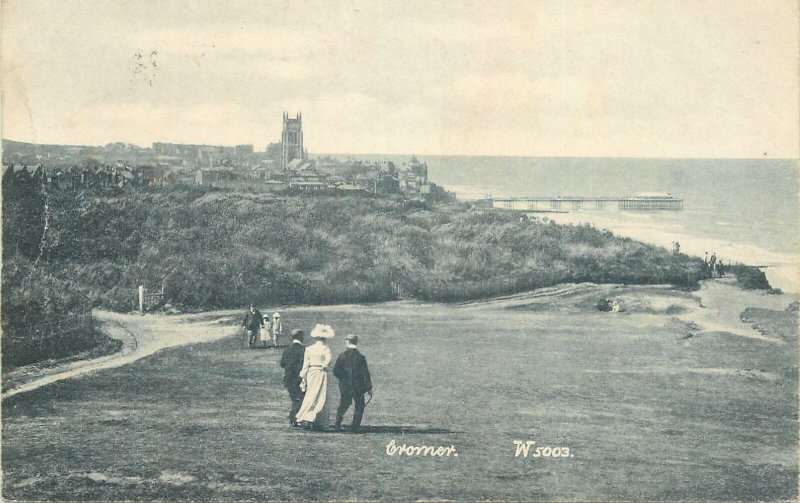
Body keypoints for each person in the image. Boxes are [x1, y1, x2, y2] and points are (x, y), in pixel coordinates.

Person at [295, 324, 334, 430]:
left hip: (311, 372)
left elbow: (305, 364)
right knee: (320, 395)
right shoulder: (325, 348)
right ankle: (310, 418)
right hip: (321, 372)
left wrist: (303, 376)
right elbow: (328, 360)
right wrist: (324, 365)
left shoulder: (309, 349)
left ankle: (306, 417)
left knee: (311, 394)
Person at [333, 334, 373, 432]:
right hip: (358, 386)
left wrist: (343, 378)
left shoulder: (342, 356)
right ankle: (355, 426)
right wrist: (369, 388)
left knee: (343, 404)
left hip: (345, 386)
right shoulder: (361, 357)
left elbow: (336, 371)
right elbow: (366, 373)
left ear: (347, 342)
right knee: (360, 405)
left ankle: (337, 424)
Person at [280, 329, 306, 427]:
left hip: (289, 379)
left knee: (295, 399)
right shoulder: (304, 350)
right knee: (300, 399)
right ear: (301, 338)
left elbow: (282, 364)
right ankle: (294, 417)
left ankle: (294, 418)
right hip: (300, 379)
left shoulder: (287, 350)